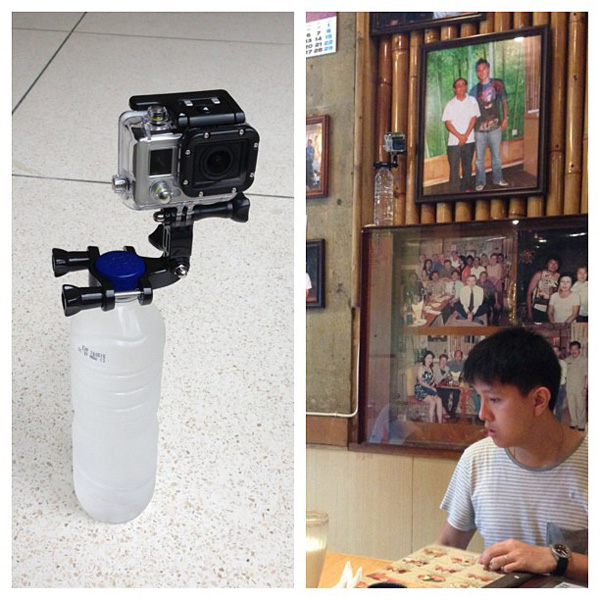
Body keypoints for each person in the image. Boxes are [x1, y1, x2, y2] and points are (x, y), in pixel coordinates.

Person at [436, 328, 587, 584]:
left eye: (494, 399)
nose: (483, 413)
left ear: (539, 400)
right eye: (478, 396)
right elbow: (448, 545)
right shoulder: (477, 459)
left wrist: (558, 558)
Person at [469, 58, 510, 191]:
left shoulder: (497, 84)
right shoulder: (474, 90)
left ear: (488, 69)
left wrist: (505, 118)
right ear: (476, 73)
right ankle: (480, 182)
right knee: (479, 158)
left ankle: (498, 179)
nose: (482, 72)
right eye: (479, 70)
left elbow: (504, 101)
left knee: (496, 156)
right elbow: (471, 111)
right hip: (479, 130)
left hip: (495, 127)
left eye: (484, 69)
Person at [441, 77, 481, 192]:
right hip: (454, 142)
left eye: (463, 84)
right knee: (454, 168)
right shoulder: (450, 104)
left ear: (466, 86)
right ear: (454, 89)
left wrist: (465, 136)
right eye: (458, 85)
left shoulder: (472, 100)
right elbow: (448, 124)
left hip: (469, 140)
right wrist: (460, 136)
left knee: (467, 166)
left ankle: (467, 189)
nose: (461, 87)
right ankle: (454, 192)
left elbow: (474, 118)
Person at [526, 256, 560, 323]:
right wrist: (529, 312)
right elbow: (528, 294)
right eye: (551, 263)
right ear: (547, 264)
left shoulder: (560, 277)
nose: (553, 265)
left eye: (556, 263)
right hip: (538, 309)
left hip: (554, 311)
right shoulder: (539, 275)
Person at [414, 351, 444, 423]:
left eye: (431, 358)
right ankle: (431, 424)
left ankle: (440, 423)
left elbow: (431, 382)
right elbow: (420, 381)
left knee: (439, 400)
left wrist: (434, 383)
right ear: (424, 359)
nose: (430, 360)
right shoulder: (421, 368)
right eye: (428, 358)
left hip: (428, 389)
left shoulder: (431, 369)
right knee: (432, 402)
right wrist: (431, 388)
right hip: (421, 389)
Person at [566, 341, 588, 432]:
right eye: (572, 349)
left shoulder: (585, 360)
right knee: (571, 406)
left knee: (581, 407)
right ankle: (573, 422)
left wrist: (585, 388)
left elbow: (588, 375)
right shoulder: (567, 360)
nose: (573, 351)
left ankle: (581, 424)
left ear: (579, 349)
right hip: (570, 388)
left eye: (575, 349)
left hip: (580, 388)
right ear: (570, 350)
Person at [433, 353, 459, 422]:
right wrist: (436, 382)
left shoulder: (447, 368)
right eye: (442, 360)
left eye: (445, 361)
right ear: (439, 360)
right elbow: (433, 378)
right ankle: (446, 411)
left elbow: (449, 377)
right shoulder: (435, 367)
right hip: (436, 386)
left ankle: (452, 411)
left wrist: (450, 378)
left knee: (456, 391)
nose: (443, 362)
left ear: (446, 361)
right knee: (443, 392)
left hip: (444, 385)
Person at [552, 345, 567, 423]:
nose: (555, 353)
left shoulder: (563, 363)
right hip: (550, 387)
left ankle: (557, 424)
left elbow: (563, 375)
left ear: (559, 352)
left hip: (560, 387)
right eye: (553, 351)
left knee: (559, 407)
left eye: (556, 351)